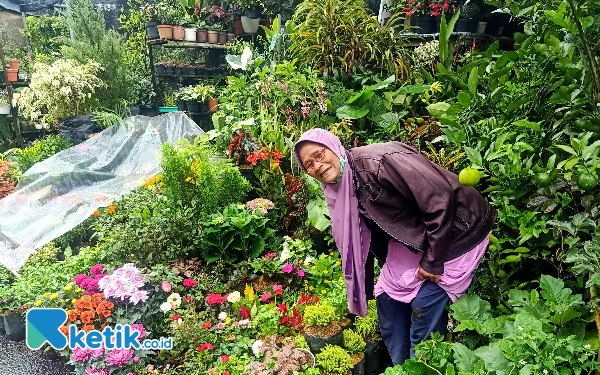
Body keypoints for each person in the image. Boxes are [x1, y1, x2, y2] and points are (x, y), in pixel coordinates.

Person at [293, 128, 496, 365]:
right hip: (416, 236)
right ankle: (401, 368)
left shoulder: (378, 162)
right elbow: (360, 239)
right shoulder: (338, 188)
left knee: (424, 308)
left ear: (334, 146)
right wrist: (364, 287)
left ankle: (425, 366)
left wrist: (432, 261)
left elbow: (439, 199)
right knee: (388, 303)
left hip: (457, 230)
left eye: (319, 154)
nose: (317, 165)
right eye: (308, 164)